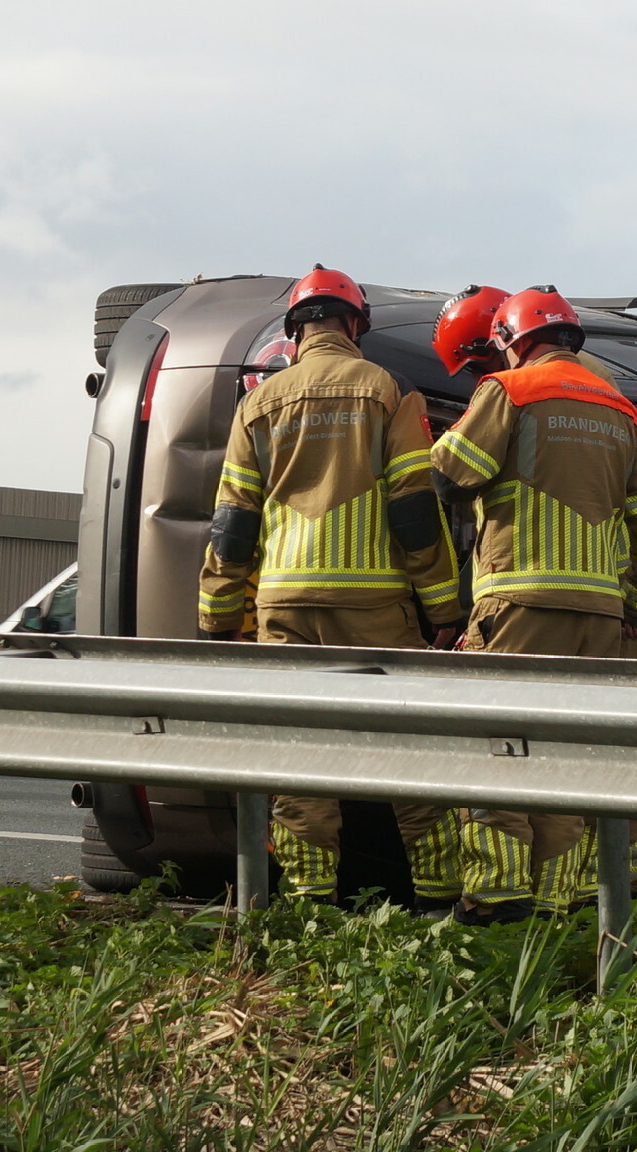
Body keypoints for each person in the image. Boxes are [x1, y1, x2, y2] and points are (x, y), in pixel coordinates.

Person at [199, 264, 464, 903]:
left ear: (295, 330)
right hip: (374, 607)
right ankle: (436, 903)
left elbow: (232, 522)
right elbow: (413, 509)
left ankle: (308, 908)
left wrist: (217, 617)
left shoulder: (258, 404)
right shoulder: (386, 390)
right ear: (354, 325)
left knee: (298, 760)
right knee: (409, 761)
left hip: (284, 606)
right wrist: (444, 608)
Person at [430, 286, 637, 923]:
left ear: (510, 340)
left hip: (518, 604)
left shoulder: (509, 392)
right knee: (570, 756)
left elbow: (450, 475)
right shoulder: (621, 409)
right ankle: (552, 907)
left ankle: (494, 898)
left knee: (500, 745)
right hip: (600, 616)